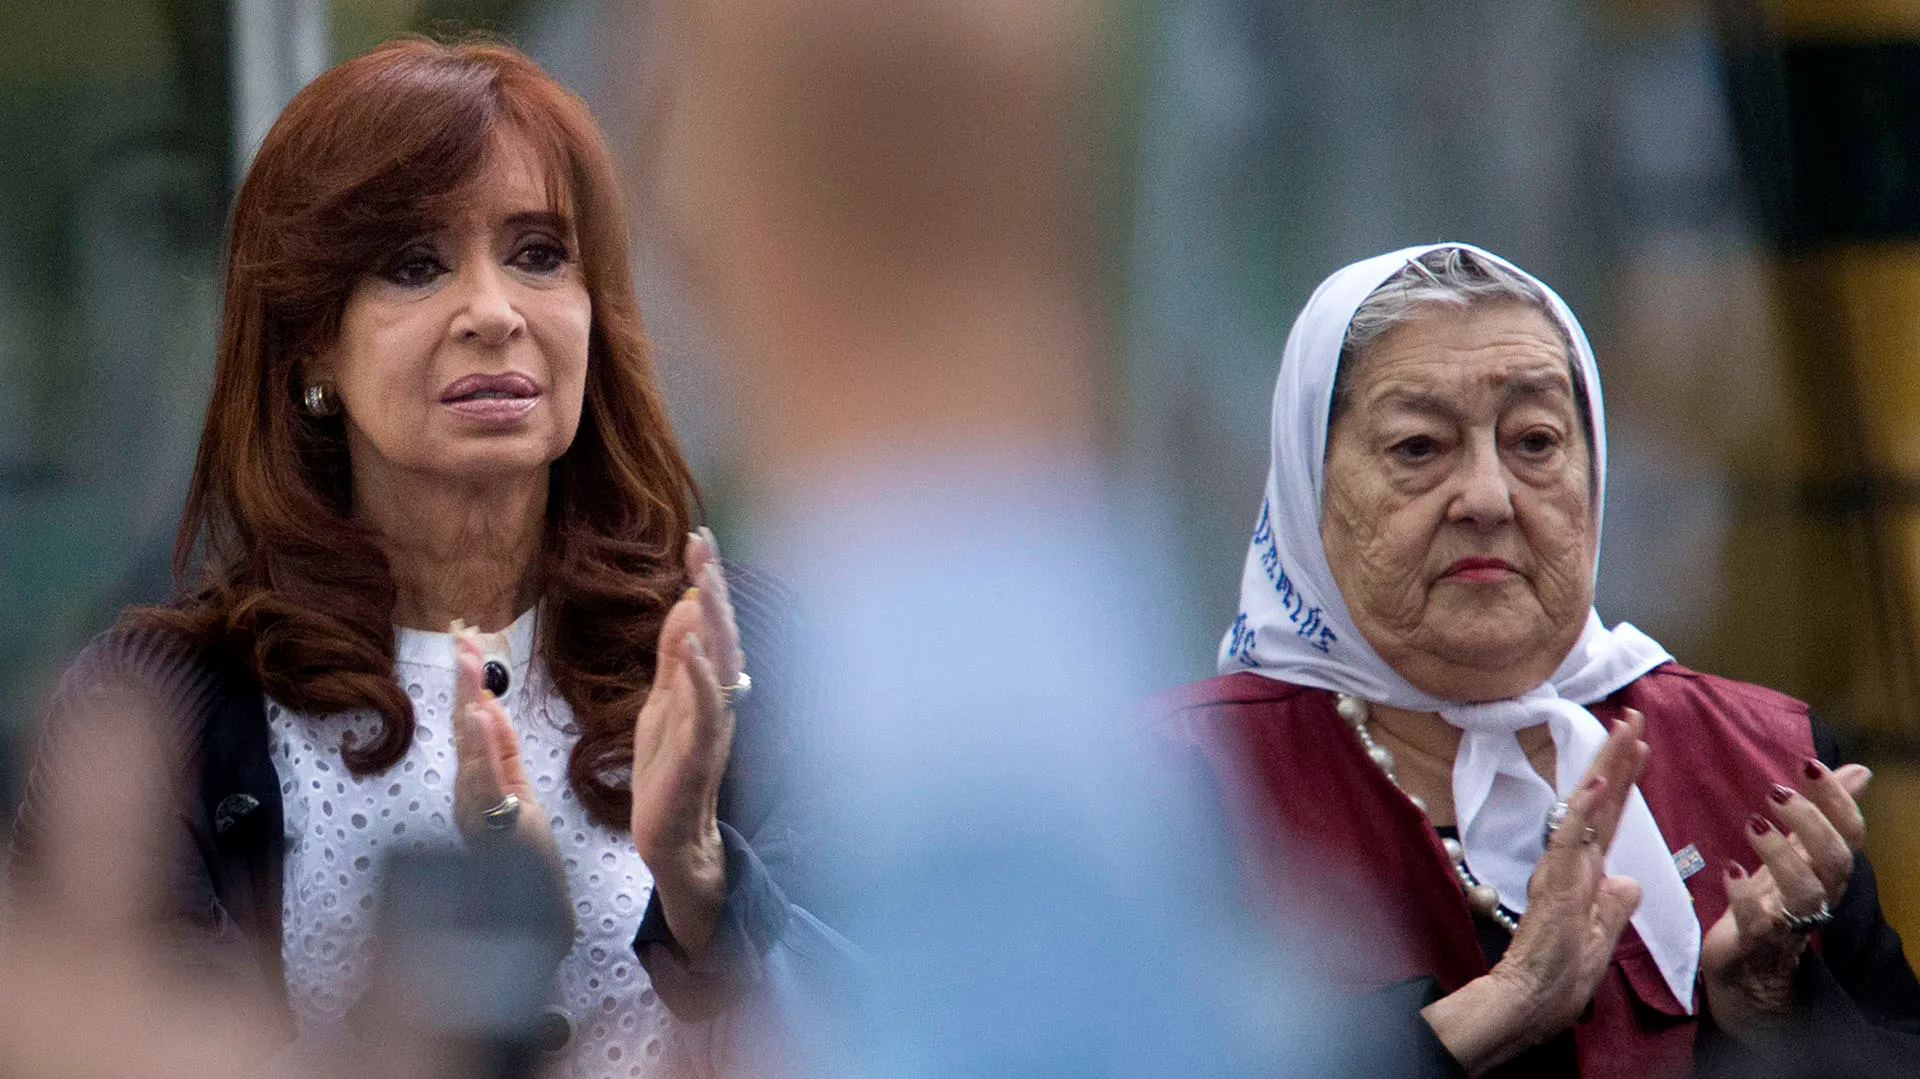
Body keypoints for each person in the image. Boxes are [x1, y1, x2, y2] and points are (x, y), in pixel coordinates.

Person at [11, 38, 847, 1077]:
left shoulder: (747, 654)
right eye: (415, 264)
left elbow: (918, 1031)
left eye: (540, 253)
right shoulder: (171, 705)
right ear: (314, 340)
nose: (493, 312)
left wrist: (701, 879)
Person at [1154, 243, 1920, 1077]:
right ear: (1309, 487)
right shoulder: (1178, 790)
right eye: (1418, 447)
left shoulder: (1759, 759)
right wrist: (1493, 1009)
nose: (1487, 497)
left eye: (1534, 440)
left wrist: (1773, 1012)